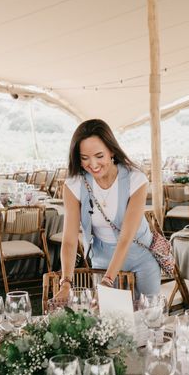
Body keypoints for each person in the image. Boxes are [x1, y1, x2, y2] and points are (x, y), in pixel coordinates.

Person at [57, 119, 160, 298]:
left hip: (140, 255)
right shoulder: (74, 185)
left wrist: (108, 280)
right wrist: (66, 282)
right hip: (102, 259)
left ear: (111, 151)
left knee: (148, 315)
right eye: (84, 158)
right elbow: (69, 240)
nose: (93, 165)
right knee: (109, 318)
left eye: (99, 156)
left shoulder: (136, 179)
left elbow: (126, 237)